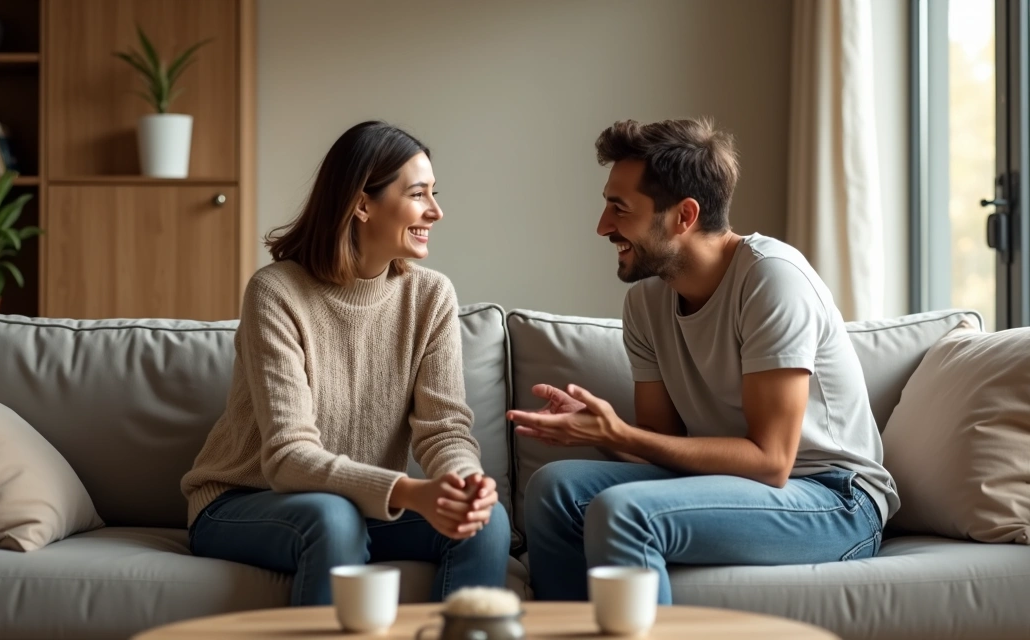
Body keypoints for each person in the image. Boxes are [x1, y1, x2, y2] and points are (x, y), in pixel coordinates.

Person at [510, 117, 898, 604]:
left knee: (624, 511)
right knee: (552, 489)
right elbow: (662, 445)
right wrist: (598, 431)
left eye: (619, 208)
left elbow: (772, 462)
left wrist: (619, 433)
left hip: (834, 498)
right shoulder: (647, 303)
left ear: (684, 216)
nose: (603, 226)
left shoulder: (771, 280)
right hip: (730, 485)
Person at [181, 121, 510, 606]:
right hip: (242, 502)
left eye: (433, 193)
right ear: (361, 204)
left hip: (358, 505)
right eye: (418, 194)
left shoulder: (430, 295)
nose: (436, 211)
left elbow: (443, 429)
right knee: (334, 519)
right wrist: (411, 492)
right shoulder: (276, 292)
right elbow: (289, 458)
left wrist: (462, 484)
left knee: (487, 524)